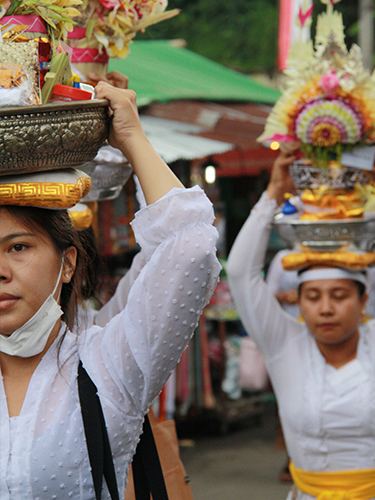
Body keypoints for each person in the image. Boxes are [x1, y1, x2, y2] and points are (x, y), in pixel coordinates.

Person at [0, 82, 221, 499]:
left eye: (19, 247)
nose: (1, 271)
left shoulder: (108, 366)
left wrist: (132, 138)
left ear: (67, 264)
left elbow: (190, 249)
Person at [226, 152, 375, 499]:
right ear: (299, 301)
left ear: (363, 300)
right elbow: (239, 274)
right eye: (312, 297)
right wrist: (274, 192)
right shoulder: (285, 344)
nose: (325, 309)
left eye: (339, 295)